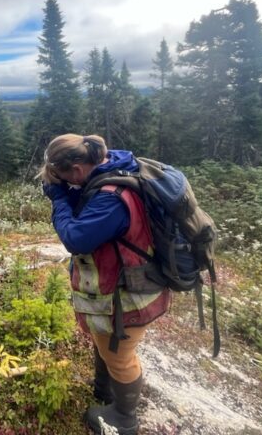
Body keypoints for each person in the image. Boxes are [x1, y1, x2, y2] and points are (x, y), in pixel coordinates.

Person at [39, 133, 171, 435]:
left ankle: (124, 418)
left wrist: (59, 199)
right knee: (105, 339)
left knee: (120, 356)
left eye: (64, 179)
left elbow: (76, 238)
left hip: (129, 295)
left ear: (76, 170)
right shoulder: (111, 169)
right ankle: (104, 390)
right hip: (119, 286)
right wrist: (70, 194)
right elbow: (90, 206)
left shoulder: (112, 198)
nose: (67, 185)